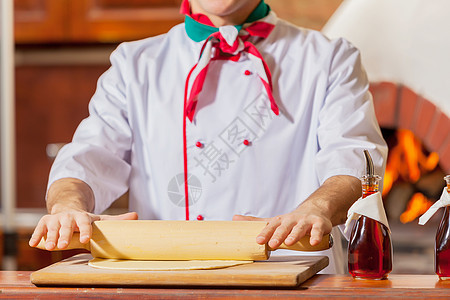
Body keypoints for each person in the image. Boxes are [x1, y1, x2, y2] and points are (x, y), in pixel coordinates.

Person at [28, 0, 387, 273]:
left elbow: (355, 157)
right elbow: (88, 158)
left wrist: (317, 208)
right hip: (165, 281)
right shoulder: (134, 64)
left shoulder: (330, 59)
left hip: (291, 276)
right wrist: (67, 207)